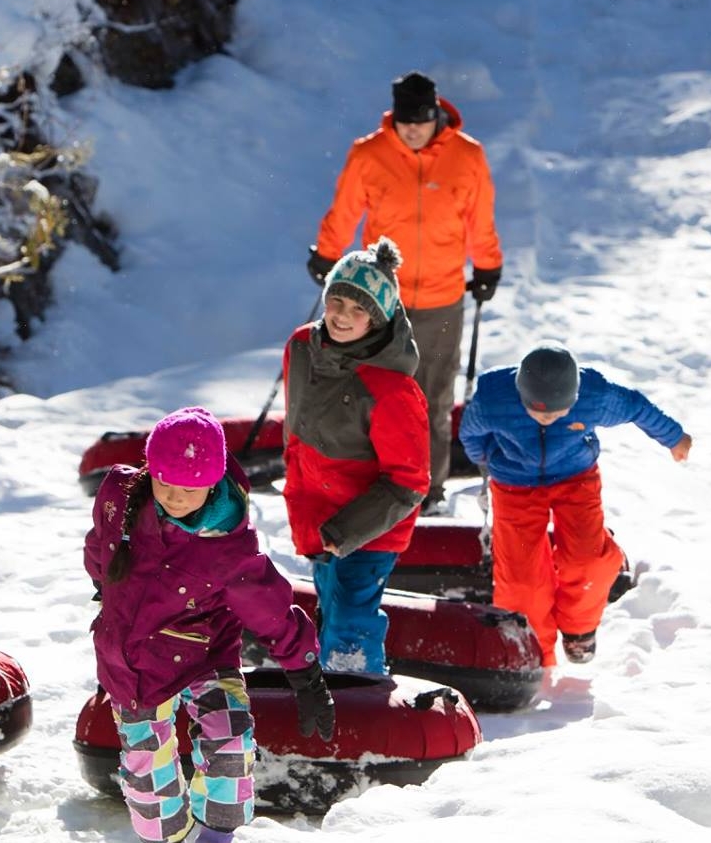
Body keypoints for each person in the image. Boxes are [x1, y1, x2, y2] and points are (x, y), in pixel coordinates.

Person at [86, 408, 333, 843]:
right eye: (163, 482)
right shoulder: (120, 496)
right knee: (149, 775)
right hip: (132, 660)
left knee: (230, 743)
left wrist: (305, 673)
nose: (175, 498)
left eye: (189, 488)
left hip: (203, 652)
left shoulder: (227, 548)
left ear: (213, 481)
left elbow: (270, 610)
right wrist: (102, 583)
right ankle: (169, 839)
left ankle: (217, 836)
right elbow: (100, 542)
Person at [310, 70, 502, 513]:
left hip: (442, 297)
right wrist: (326, 253)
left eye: (421, 119)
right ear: (392, 118)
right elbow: (344, 210)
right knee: (372, 393)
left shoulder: (467, 156)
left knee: (432, 399)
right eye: (404, 120)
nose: (412, 129)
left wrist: (489, 264)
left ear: (437, 114)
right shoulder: (369, 153)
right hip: (380, 300)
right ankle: (370, 481)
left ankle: (427, 491)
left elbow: (481, 217)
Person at [458, 343, 690, 667]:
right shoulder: (494, 399)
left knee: (588, 561)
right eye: (539, 413)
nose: (548, 419)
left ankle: (579, 630)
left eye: (557, 413)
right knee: (521, 580)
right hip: (514, 484)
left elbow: (636, 406)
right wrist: (488, 458)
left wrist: (674, 437)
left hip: (575, 478)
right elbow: (470, 434)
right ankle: (534, 651)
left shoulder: (594, 396)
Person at [281, 238, 430, 674]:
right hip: (317, 514)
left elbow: (409, 482)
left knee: (351, 617)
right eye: (337, 301)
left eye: (358, 309)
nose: (342, 315)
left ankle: (356, 689)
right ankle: (328, 682)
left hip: (368, 528)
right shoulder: (302, 349)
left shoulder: (392, 390)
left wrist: (347, 531)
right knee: (330, 601)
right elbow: (297, 426)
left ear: (379, 318)